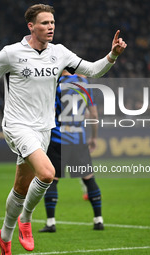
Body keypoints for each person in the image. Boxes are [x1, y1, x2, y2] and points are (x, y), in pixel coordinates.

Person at [0, 4, 126, 254]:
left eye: (53, 23)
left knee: (21, 188)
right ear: (31, 26)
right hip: (17, 126)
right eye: (45, 23)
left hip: (44, 128)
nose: (51, 27)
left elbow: (92, 70)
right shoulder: (11, 53)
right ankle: (26, 219)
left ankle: (4, 236)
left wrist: (113, 55)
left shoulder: (60, 53)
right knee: (46, 174)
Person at [39, 70, 104, 233]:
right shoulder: (85, 84)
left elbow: (48, 111)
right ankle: (98, 220)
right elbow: (93, 113)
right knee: (89, 178)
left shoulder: (55, 83)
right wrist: (94, 137)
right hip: (79, 138)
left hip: (58, 138)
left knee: (52, 180)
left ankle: (51, 222)